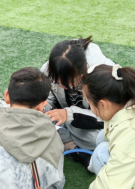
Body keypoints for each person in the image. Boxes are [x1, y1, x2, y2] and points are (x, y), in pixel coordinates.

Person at [41, 37, 115, 168]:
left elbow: (109, 118)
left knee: (101, 138)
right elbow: (47, 98)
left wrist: (68, 114)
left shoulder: (104, 77)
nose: (61, 86)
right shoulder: (49, 70)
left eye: (67, 82)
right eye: (56, 81)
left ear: (82, 73)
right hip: (66, 121)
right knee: (39, 119)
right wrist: (42, 107)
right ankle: (75, 149)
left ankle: (68, 145)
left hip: (97, 124)